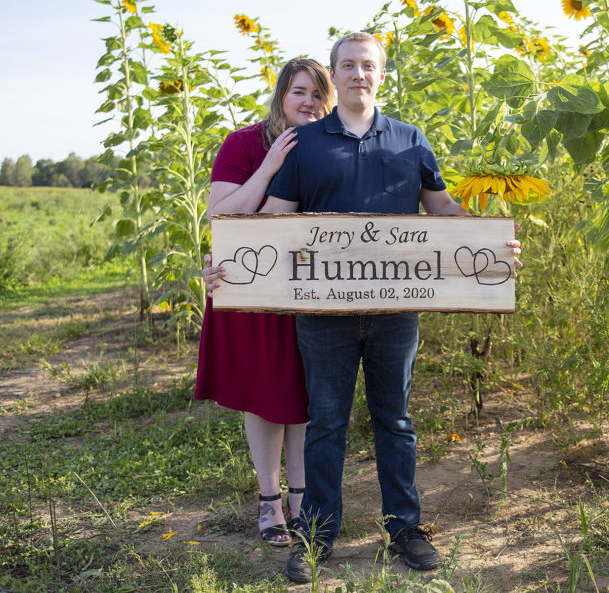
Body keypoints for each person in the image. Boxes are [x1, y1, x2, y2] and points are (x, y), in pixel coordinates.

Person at [252, 32, 522, 583]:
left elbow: (441, 206)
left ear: (381, 73)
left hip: (398, 308)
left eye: (368, 65)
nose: (358, 74)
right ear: (335, 74)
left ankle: (404, 529)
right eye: (347, 65)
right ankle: (318, 535)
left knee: (394, 421)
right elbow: (276, 220)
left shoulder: (409, 139)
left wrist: (491, 244)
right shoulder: (308, 146)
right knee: (327, 422)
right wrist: (232, 263)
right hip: (323, 313)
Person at [196, 58, 335, 547]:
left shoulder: (329, 144)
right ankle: (269, 500)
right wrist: (271, 165)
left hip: (309, 290)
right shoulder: (244, 144)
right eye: (299, 92)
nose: (308, 103)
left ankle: (302, 498)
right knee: (263, 396)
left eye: (318, 94)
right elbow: (219, 215)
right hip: (251, 290)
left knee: (302, 396)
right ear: (281, 95)